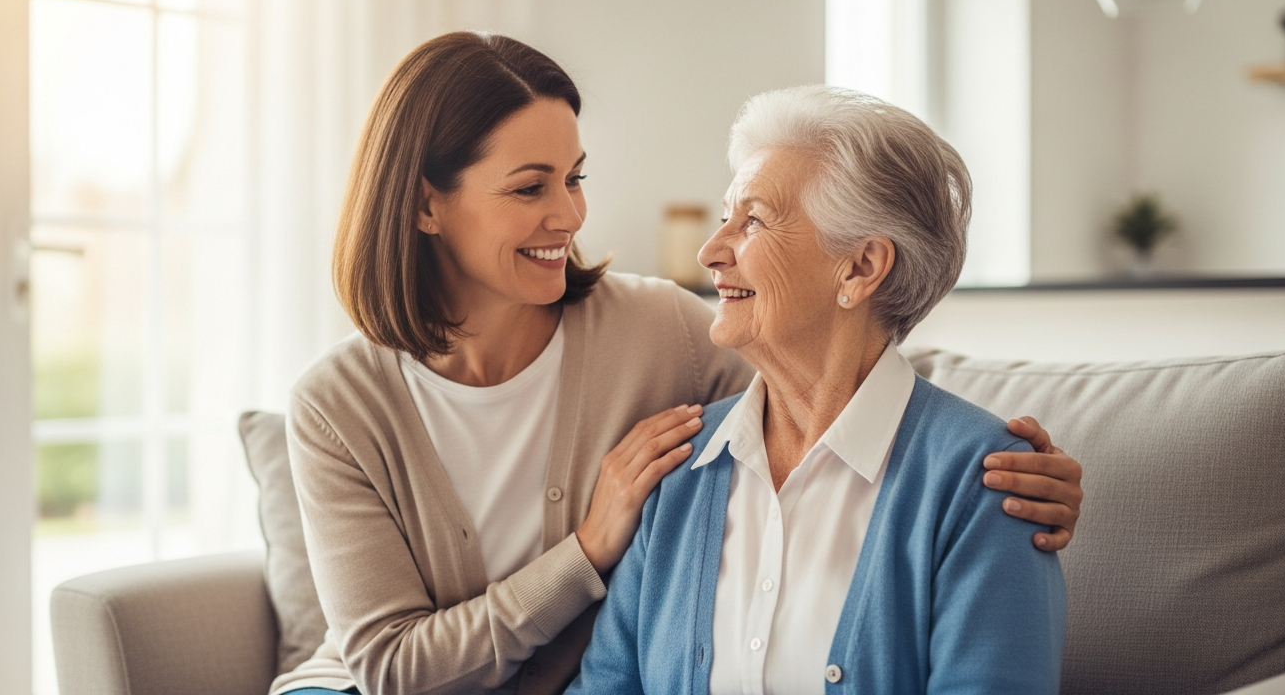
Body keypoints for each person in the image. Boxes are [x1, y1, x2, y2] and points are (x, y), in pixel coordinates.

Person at [275, 34, 1082, 695]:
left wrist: (995, 465)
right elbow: (388, 665)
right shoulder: (338, 405)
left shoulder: (659, 332)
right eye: (529, 188)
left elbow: (840, 387)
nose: (571, 214)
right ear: (424, 205)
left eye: (574, 178)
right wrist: (588, 549)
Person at [568, 85, 1068, 695]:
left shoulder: (988, 484)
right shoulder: (678, 471)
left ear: (859, 268)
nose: (710, 251)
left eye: (752, 220)